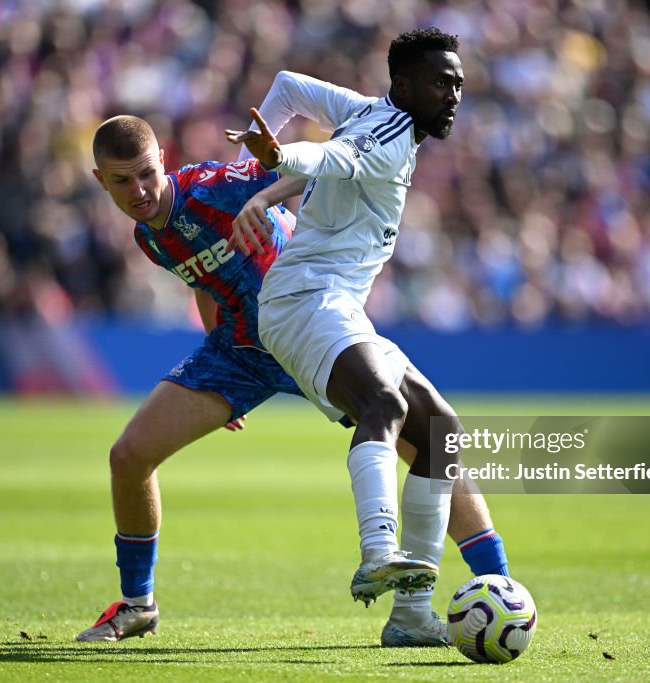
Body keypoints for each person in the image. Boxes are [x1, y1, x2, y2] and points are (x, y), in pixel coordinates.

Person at [79, 111, 508, 645]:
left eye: (147, 173)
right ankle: (139, 604)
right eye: (123, 181)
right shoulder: (150, 235)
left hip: (307, 327)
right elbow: (205, 281)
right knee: (128, 457)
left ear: (162, 159)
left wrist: (264, 197)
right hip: (239, 353)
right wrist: (216, 377)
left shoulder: (213, 186)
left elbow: (318, 167)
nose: (140, 190)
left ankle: (500, 585)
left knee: (430, 439)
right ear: (101, 181)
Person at [226, 28, 482, 646]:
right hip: (304, 300)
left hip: (335, 305)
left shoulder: (368, 110)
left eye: (458, 84)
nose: (453, 95)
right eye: (441, 83)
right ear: (404, 86)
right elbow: (328, 158)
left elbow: (288, 86)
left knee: (441, 432)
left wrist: (254, 163)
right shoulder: (386, 137)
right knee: (383, 403)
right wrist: (273, 159)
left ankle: (412, 616)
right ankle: (377, 552)